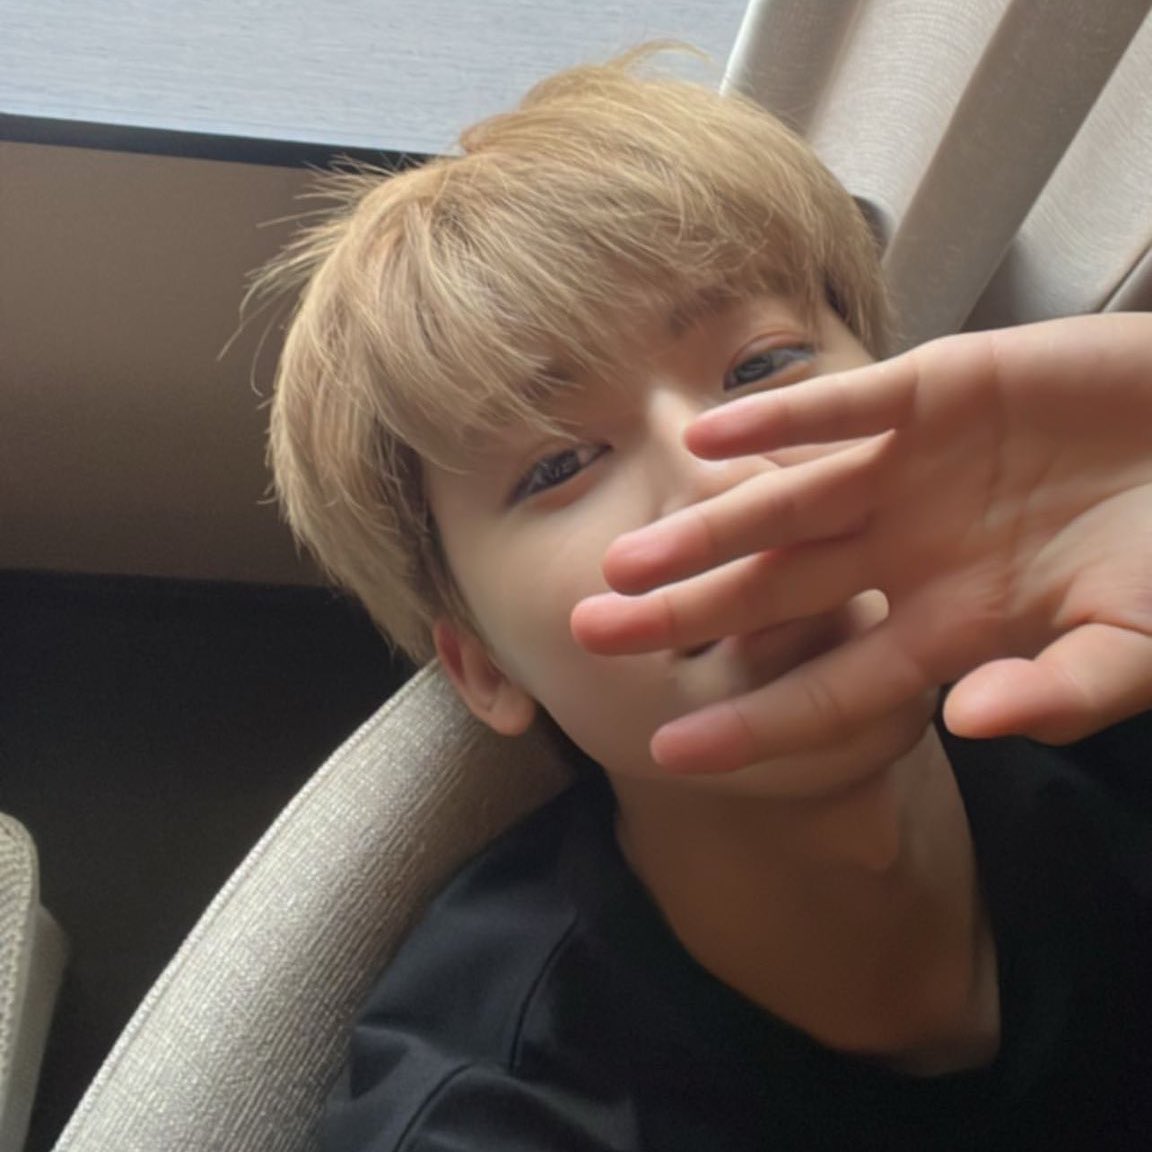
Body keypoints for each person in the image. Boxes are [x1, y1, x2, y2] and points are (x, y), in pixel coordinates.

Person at [262, 49, 1152, 1151]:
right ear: (483, 667)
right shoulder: (500, 1116)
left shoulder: (1108, 662)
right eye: (558, 465)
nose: (722, 479)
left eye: (762, 365)